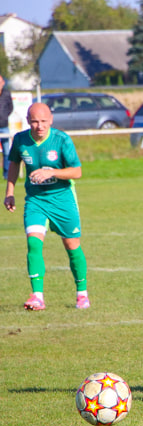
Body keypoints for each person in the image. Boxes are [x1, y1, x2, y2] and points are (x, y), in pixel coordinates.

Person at [4, 103, 89, 311]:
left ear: (51, 120)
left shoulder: (61, 140)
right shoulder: (21, 140)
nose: (39, 126)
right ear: (28, 120)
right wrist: (10, 192)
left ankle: (82, 294)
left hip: (62, 199)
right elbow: (14, 163)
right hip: (35, 200)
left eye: (43, 121)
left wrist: (51, 172)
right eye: (34, 121)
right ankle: (37, 296)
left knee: (72, 247)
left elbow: (76, 171)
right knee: (33, 244)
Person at [0, 74, 12, 179]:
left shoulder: (6, 94)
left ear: (3, 83)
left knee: (7, 151)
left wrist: (4, 116)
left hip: (4, 126)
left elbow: (10, 107)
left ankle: (6, 174)